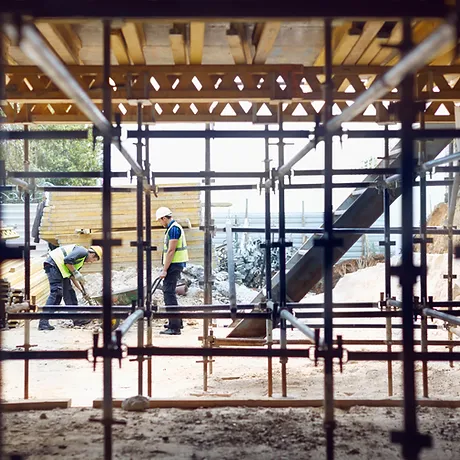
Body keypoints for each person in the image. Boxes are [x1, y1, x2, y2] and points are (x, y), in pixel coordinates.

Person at [38, 244, 102, 331]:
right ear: (92, 254)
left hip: (61, 271)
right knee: (56, 293)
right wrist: (75, 272)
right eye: (93, 260)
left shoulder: (80, 261)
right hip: (53, 265)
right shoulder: (82, 251)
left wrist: (82, 291)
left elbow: (73, 277)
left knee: (70, 293)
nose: (91, 262)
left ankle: (76, 319)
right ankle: (43, 322)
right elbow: (67, 260)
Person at [156, 207, 189, 336]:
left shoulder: (174, 229)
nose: (160, 223)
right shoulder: (173, 228)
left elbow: (171, 251)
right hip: (174, 265)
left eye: (160, 220)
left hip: (173, 266)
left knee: (168, 293)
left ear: (164, 218)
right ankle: (176, 321)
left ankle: (174, 327)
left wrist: (165, 270)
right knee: (170, 293)